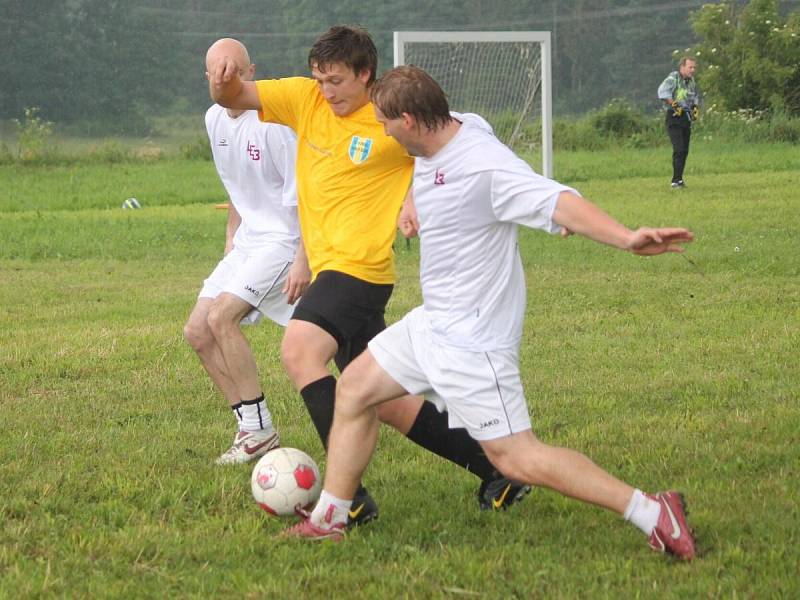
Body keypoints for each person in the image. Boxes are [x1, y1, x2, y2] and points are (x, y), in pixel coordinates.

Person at [286, 65, 698, 562]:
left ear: (412, 121)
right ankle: (330, 518)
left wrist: (627, 238)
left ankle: (652, 512)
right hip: (432, 323)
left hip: (473, 343)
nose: (383, 133)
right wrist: (414, 200)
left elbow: (559, 200)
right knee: (353, 388)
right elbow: (437, 156)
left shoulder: (484, 166)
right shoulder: (458, 125)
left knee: (515, 457)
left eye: (387, 124)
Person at [206, 28, 530, 525]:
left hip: (361, 270)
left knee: (299, 349)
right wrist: (223, 77)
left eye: (336, 80)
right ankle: (495, 466)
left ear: (365, 75)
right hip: (330, 269)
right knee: (385, 401)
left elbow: (460, 135)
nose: (326, 90)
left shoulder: (391, 115)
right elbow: (234, 96)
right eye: (320, 79)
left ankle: (348, 498)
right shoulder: (302, 98)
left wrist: (415, 195)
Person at [184, 39, 311, 465]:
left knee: (223, 318)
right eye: (218, 72)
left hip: (283, 240)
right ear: (207, 80)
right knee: (198, 331)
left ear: (251, 72)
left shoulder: (273, 124)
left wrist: (302, 259)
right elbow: (235, 186)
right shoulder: (212, 119)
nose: (227, 78)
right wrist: (230, 243)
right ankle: (251, 427)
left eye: (235, 70)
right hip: (248, 242)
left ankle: (259, 431)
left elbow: (304, 197)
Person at [658, 57, 701, 188]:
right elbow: (662, 92)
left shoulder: (691, 82)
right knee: (679, 148)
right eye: (690, 67)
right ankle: (675, 180)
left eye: (694, 67)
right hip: (674, 116)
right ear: (682, 67)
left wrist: (695, 108)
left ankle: (679, 180)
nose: (692, 70)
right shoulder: (673, 78)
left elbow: (694, 96)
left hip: (685, 117)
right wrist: (674, 104)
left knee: (685, 150)